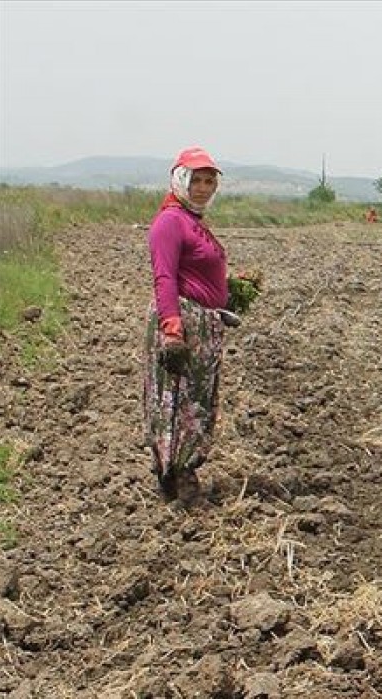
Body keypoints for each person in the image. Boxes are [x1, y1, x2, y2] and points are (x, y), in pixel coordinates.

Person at [144, 146, 228, 505]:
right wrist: (172, 330)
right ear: (181, 179)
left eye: (210, 181)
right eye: (197, 180)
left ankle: (175, 474)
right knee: (180, 400)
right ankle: (179, 476)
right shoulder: (170, 221)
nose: (205, 187)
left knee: (197, 399)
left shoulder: (194, 222)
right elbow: (164, 278)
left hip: (203, 324)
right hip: (182, 321)